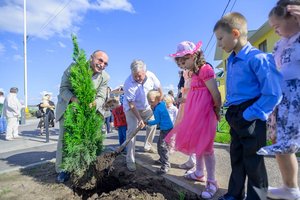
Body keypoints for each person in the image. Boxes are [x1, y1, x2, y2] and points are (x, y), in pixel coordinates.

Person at [213, 12, 283, 200]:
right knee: (236, 157)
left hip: (250, 114)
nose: (219, 44)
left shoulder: (258, 58)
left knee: (253, 161)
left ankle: (256, 197)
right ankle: (234, 194)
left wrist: (250, 114)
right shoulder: (233, 61)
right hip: (235, 113)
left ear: (235, 33)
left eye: (220, 39)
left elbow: (273, 92)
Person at [166, 40, 222, 199]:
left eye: (185, 60)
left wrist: (217, 111)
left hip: (205, 113)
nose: (183, 64)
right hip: (194, 112)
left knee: (207, 148)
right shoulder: (191, 73)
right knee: (198, 143)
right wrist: (184, 101)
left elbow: (215, 94)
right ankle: (199, 172)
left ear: (195, 55)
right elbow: (192, 92)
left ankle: (212, 181)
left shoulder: (205, 69)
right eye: (180, 62)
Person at [257, 1, 300, 199]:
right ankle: (289, 188)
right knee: (280, 143)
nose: (276, 31)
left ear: (294, 17)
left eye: (277, 26)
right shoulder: (279, 44)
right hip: (281, 99)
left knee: (290, 142)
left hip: (296, 100)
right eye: (273, 28)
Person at [55, 50, 110, 183]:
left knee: (89, 140)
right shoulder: (74, 68)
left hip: (91, 112)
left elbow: (102, 96)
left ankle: (86, 167)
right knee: (66, 140)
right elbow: (63, 89)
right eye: (100, 60)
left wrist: (94, 103)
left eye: (105, 63)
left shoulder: (105, 77)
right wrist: (74, 99)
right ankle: (63, 169)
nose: (102, 65)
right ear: (91, 58)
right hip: (69, 108)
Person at [123, 59, 163, 172]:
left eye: (139, 76)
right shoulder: (128, 83)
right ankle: (130, 160)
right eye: (135, 76)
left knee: (153, 124)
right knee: (131, 132)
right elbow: (131, 104)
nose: (137, 78)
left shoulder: (151, 76)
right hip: (131, 109)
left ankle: (148, 146)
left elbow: (160, 89)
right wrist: (139, 119)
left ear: (145, 72)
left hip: (146, 108)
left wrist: (157, 104)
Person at [146, 90, 173, 175]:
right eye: (149, 101)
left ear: (157, 99)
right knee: (159, 144)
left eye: (152, 101)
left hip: (166, 129)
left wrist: (147, 122)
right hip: (166, 128)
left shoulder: (158, 108)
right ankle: (162, 159)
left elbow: (157, 121)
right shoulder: (160, 104)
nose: (150, 103)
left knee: (162, 146)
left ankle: (166, 165)